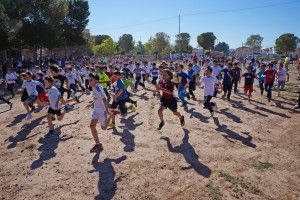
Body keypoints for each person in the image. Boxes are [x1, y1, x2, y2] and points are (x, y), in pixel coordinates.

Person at [88, 73, 112, 153]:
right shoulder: (95, 86)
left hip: (102, 110)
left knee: (104, 128)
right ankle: (98, 144)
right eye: (89, 80)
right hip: (96, 109)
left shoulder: (97, 87)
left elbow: (104, 99)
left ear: (96, 81)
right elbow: (98, 98)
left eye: (91, 80)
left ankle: (111, 115)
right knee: (92, 126)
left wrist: (107, 111)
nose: (89, 81)